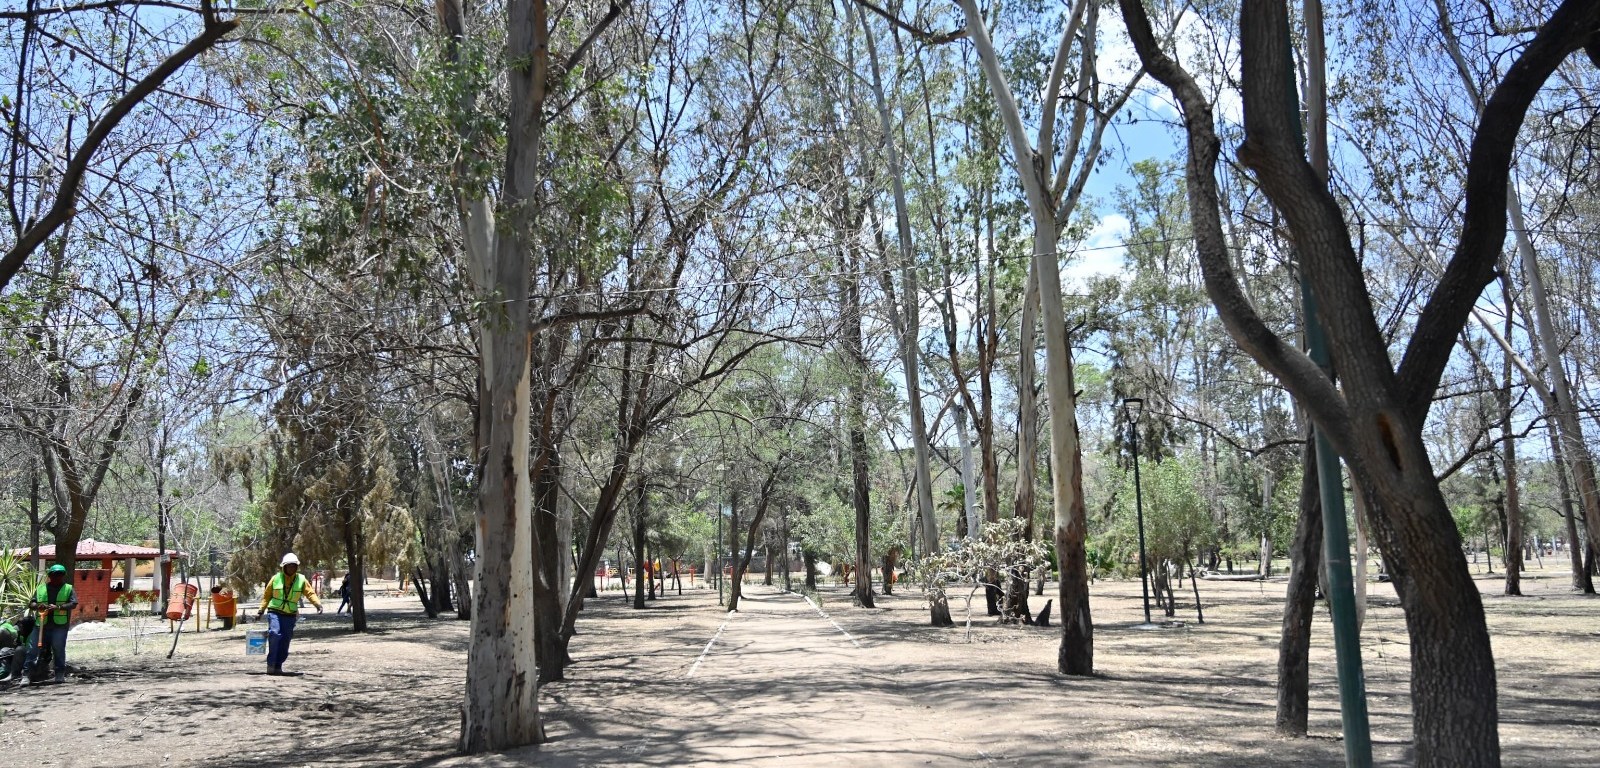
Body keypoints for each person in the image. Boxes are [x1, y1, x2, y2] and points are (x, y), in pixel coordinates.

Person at [255, 553, 322, 675]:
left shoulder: (301, 579)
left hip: (290, 614)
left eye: (294, 566)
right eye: (289, 566)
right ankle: (271, 664)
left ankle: (278, 665)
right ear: (284, 567)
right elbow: (266, 596)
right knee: (275, 633)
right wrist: (261, 611)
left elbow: (310, 593)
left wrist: (318, 605)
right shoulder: (275, 578)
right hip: (274, 612)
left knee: (285, 639)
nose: (291, 568)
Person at [23, 564, 77, 684]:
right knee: (32, 650)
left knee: (58, 649)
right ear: (49, 576)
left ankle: (59, 674)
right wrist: (38, 606)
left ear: (63, 576)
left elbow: (73, 604)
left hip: (59, 626)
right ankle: (26, 675)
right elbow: (31, 604)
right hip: (41, 624)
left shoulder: (68, 588)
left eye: (59, 575)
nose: (56, 577)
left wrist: (58, 607)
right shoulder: (41, 588)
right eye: (54, 575)